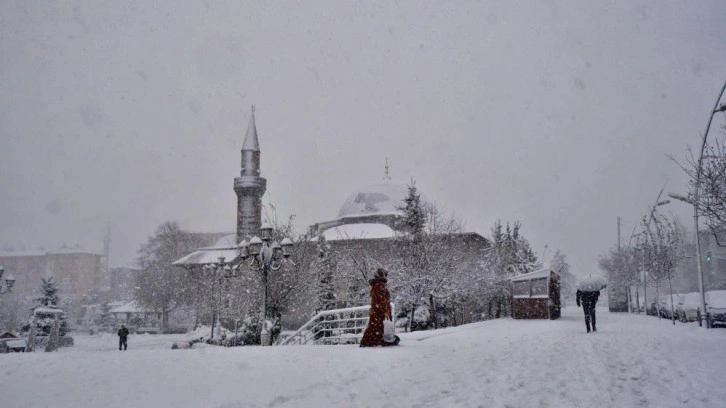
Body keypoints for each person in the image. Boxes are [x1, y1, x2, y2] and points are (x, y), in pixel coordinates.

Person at [360, 268, 398, 347]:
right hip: (379, 310)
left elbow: (381, 299)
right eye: (386, 275)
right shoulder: (379, 285)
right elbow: (381, 300)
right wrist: (384, 310)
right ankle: (373, 341)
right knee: (377, 326)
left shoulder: (378, 285)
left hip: (378, 310)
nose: (387, 277)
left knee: (375, 326)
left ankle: (371, 341)